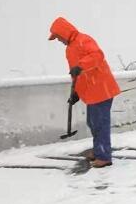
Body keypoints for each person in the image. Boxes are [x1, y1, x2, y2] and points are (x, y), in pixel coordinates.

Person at [49, 17, 121, 168]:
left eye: (58, 37)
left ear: (64, 32)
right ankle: (98, 150)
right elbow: (77, 74)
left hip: (101, 89)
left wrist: (81, 65)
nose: (59, 40)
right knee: (93, 123)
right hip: (92, 92)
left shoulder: (83, 40)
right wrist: (76, 92)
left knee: (100, 124)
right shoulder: (70, 49)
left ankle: (104, 156)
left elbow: (98, 55)